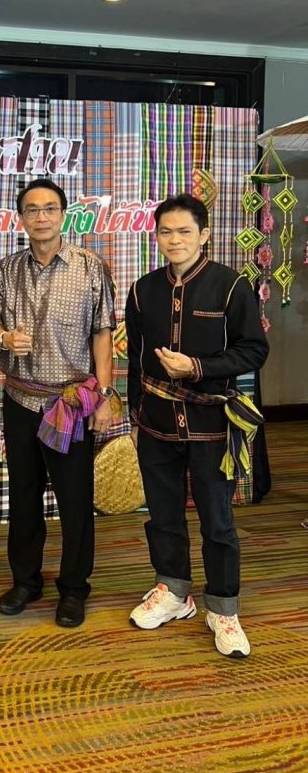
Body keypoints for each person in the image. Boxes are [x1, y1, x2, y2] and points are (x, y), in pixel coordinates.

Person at [125, 193, 268, 658]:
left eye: (184, 231)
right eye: (166, 231)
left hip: (211, 423)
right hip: (156, 423)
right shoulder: (142, 290)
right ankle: (173, 591)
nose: (175, 240)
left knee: (217, 521)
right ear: (156, 236)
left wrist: (198, 367)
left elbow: (254, 350)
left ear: (204, 234)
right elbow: (135, 363)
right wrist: (135, 416)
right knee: (163, 514)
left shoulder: (231, 286)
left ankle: (223, 609)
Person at [0, 178, 116, 628]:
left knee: (75, 498)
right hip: (21, 398)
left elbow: (102, 334)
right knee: (23, 495)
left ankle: (74, 588)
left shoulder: (90, 267)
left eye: (50, 208)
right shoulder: (7, 269)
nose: (41, 217)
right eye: (32, 209)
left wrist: (104, 396)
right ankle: (25, 580)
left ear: (63, 214)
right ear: (21, 218)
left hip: (70, 403)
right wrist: (3, 337)